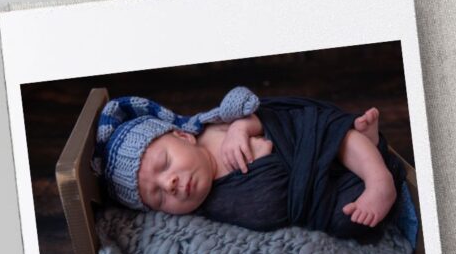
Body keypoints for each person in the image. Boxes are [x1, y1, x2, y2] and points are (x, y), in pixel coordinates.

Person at [94, 87, 406, 243]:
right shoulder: (206, 212)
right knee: (348, 220)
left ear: (182, 137)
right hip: (313, 195)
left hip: (302, 144)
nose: (170, 184)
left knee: (330, 134)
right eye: (158, 197)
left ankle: (378, 178)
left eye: (165, 163)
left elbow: (254, 107)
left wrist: (240, 129)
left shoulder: (213, 131)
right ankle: (374, 147)